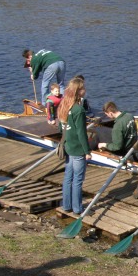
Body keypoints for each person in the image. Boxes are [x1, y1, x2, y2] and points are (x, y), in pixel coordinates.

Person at [58, 77, 91, 215]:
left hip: (68, 146)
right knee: (78, 179)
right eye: (83, 88)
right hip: (77, 149)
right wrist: (87, 151)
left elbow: (61, 128)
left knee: (68, 177)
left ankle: (66, 206)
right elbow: (81, 133)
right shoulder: (79, 110)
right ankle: (77, 208)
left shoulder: (64, 105)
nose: (85, 90)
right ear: (78, 91)